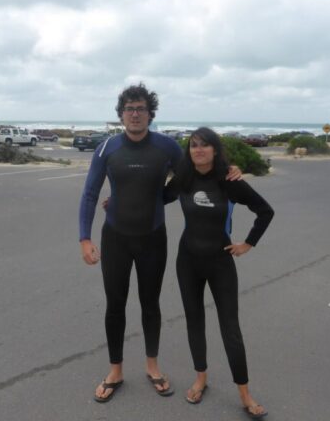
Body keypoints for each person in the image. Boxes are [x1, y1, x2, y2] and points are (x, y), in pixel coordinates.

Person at [78, 84, 241, 403]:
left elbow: (195, 175)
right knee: (115, 305)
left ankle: (152, 366)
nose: (135, 114)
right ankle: (115, 371)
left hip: (153, 238)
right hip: (116, 238)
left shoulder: (166, 147)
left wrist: (230, 170)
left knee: (150, 304)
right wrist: (85, 237)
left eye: (141, 108)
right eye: (129, 108)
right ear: (121, 114)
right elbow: (90, 193)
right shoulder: (107, 148)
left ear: (150, 113)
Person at [164, 127, 274, 419]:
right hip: (187, 260)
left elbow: (265, 211)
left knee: (230, 328)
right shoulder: (184, 178)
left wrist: (248, 244)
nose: (198, 150)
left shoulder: (229, 180)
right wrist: (120, 200)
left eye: (204, 145)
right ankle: (200, 378)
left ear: (214, 150)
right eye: (193, 145)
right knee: (194, 321)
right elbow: (157, 197)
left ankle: (245, 393)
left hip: (220, 262)